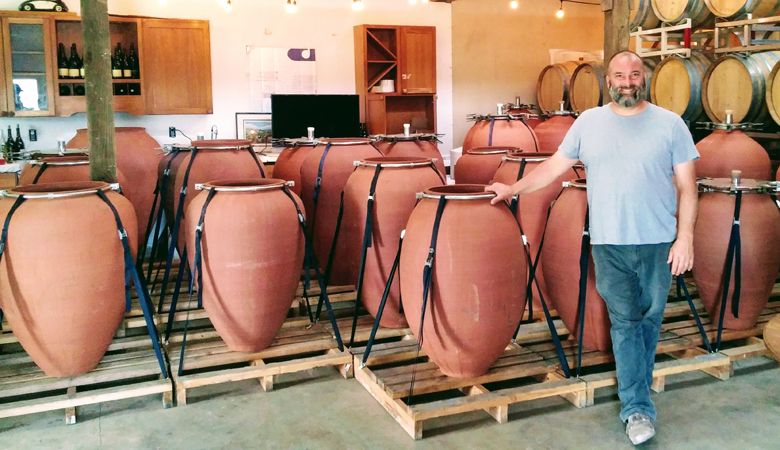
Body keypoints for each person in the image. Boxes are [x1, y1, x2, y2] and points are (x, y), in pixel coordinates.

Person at [486, 50, 698, 446]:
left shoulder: (671, 125)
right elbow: (554, 167)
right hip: (609, 243)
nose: (627, 82)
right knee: (625, 322)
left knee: (649, 322)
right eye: (620, 75)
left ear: (643, 78)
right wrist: (512, 188)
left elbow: (689, 186)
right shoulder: (589, 122)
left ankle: (637, 386)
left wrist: (685, 237)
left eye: (634, 75)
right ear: (609, 81)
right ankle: (636, 407)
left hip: (656, 242)